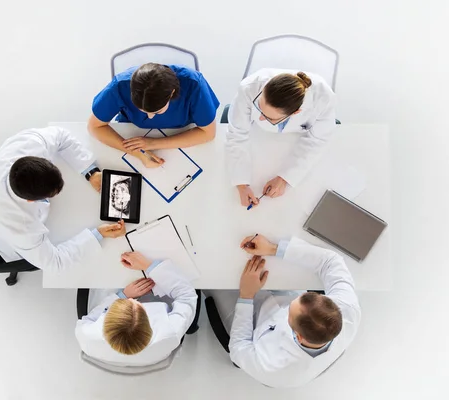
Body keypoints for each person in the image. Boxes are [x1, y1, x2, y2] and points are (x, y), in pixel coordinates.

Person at [207, 234, 360, 388]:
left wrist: (246, 296)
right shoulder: (346, 308)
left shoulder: (274, 368)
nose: (292, 303)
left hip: (252, 325)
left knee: (211, 275)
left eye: (289, 312)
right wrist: (274, 248)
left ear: (298, 336)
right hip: (279, 298)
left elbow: (238, 348)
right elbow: (331, 261)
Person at [0, 127, 126, 272]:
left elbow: (61, 136)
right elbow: (55, 263)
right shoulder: (22, 228)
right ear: (31, 201)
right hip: (2, 236)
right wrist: (98, 235)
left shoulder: (29, 144)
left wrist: (90, 172)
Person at [225, 69, 337, 208]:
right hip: (259, 138)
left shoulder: (323, 98)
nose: (260, 117)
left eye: (269, 118)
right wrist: (241, 184)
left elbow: (318, 140)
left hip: (292, 141)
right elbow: (236, 135)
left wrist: (285, 178)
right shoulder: (249, 88)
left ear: (296, 112)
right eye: (259, 107)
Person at [75, 252, 198, 368]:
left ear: (106, 318)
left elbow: (89, 318)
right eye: (135, 303)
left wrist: (122, 295)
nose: (132, 300)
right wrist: (149, 266)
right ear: (148, 321)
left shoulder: (86, 335)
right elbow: (187, 296)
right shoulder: (170, 333)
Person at [88, 63, 220, 168]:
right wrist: (137, 152)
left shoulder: (194, 84)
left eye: (156, 112)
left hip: (183, 134)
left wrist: (152, 143)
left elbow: (208, 133)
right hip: (131, 132)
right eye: (143, 111)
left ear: (172, 93)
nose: (150, 117)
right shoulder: (119, 86)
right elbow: (94, 126)